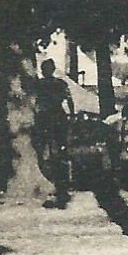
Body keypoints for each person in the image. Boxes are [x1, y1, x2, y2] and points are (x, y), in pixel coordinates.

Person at [32, 59, 74, 208]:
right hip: (59, 118)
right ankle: (62, 184)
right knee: (61, 151)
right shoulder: (61, 83)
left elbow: (34, 103)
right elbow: (69, 100)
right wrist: (72, 116)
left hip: (45, 119)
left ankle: (53, 183)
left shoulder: (39, 84)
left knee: (45, 152)